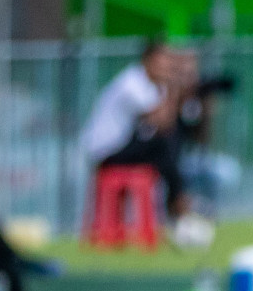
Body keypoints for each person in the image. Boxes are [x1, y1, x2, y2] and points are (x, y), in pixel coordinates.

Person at [80, 38, 191, 220]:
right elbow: (163, 123)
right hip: (107, 151)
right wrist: (173, 87)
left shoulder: (150, 86)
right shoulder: (132, 83)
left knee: (169, 143)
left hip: (123, 146)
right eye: (165, 60)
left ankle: (176, 199)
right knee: (163, 144)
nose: (169, 67)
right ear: (149, 59)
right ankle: (177, 201)